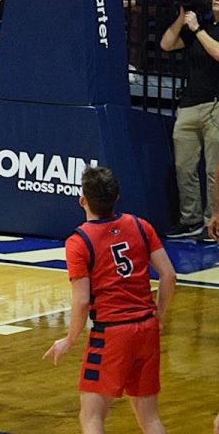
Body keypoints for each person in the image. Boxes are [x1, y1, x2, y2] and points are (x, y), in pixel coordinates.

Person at [43, 166, 176, 434]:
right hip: (147, 327)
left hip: (112, 334)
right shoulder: (140, 226)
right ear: (116, 197)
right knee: (149, 417)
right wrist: (159, 313)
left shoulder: (79, 241)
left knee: (91, 416)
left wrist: (69, 339)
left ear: (83, 200)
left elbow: (81, 302)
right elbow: (169, 275)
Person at [158, 0, 219, 239]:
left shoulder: (201, 31)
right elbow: (166, 44)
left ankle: (213, 222)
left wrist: (197, 30)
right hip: (189, 105)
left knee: (214, 170)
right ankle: (190, 219)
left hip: (215, 104)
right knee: (184, 166)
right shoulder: (199, 27)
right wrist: (183, 18)